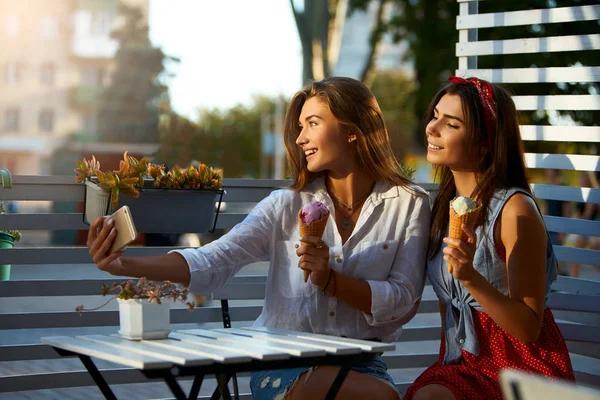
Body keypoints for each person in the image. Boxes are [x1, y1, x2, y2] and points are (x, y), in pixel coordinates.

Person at [86, 77, 431, 400]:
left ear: (353, 131)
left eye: (313, 123)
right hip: (283, 362)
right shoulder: (285, 205)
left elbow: (403, 301)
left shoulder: (410, 204)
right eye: (300, 127)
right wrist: (124, 264)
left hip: (363, 363)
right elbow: (213, 260)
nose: (300, 139)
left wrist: (331, 281)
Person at [404, 77, 575, 400]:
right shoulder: (442, 209)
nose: (432, 128)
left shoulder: (515, 211)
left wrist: (470, 277)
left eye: (451, 124)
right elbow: (450, 314)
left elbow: (528, 327)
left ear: (485, 143)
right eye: (435, 115)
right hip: (463, 365)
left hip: (521, 371)